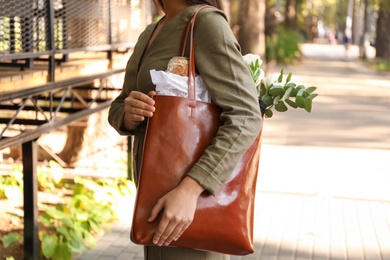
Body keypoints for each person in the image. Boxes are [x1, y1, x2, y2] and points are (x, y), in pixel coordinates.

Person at [108, 0, 262, 259]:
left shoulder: (206, 23)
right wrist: (129, 114)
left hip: (189, 209)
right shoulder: (151, 32)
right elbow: (119, 106)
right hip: (154, 203)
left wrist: (191, 189)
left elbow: (246, 115)